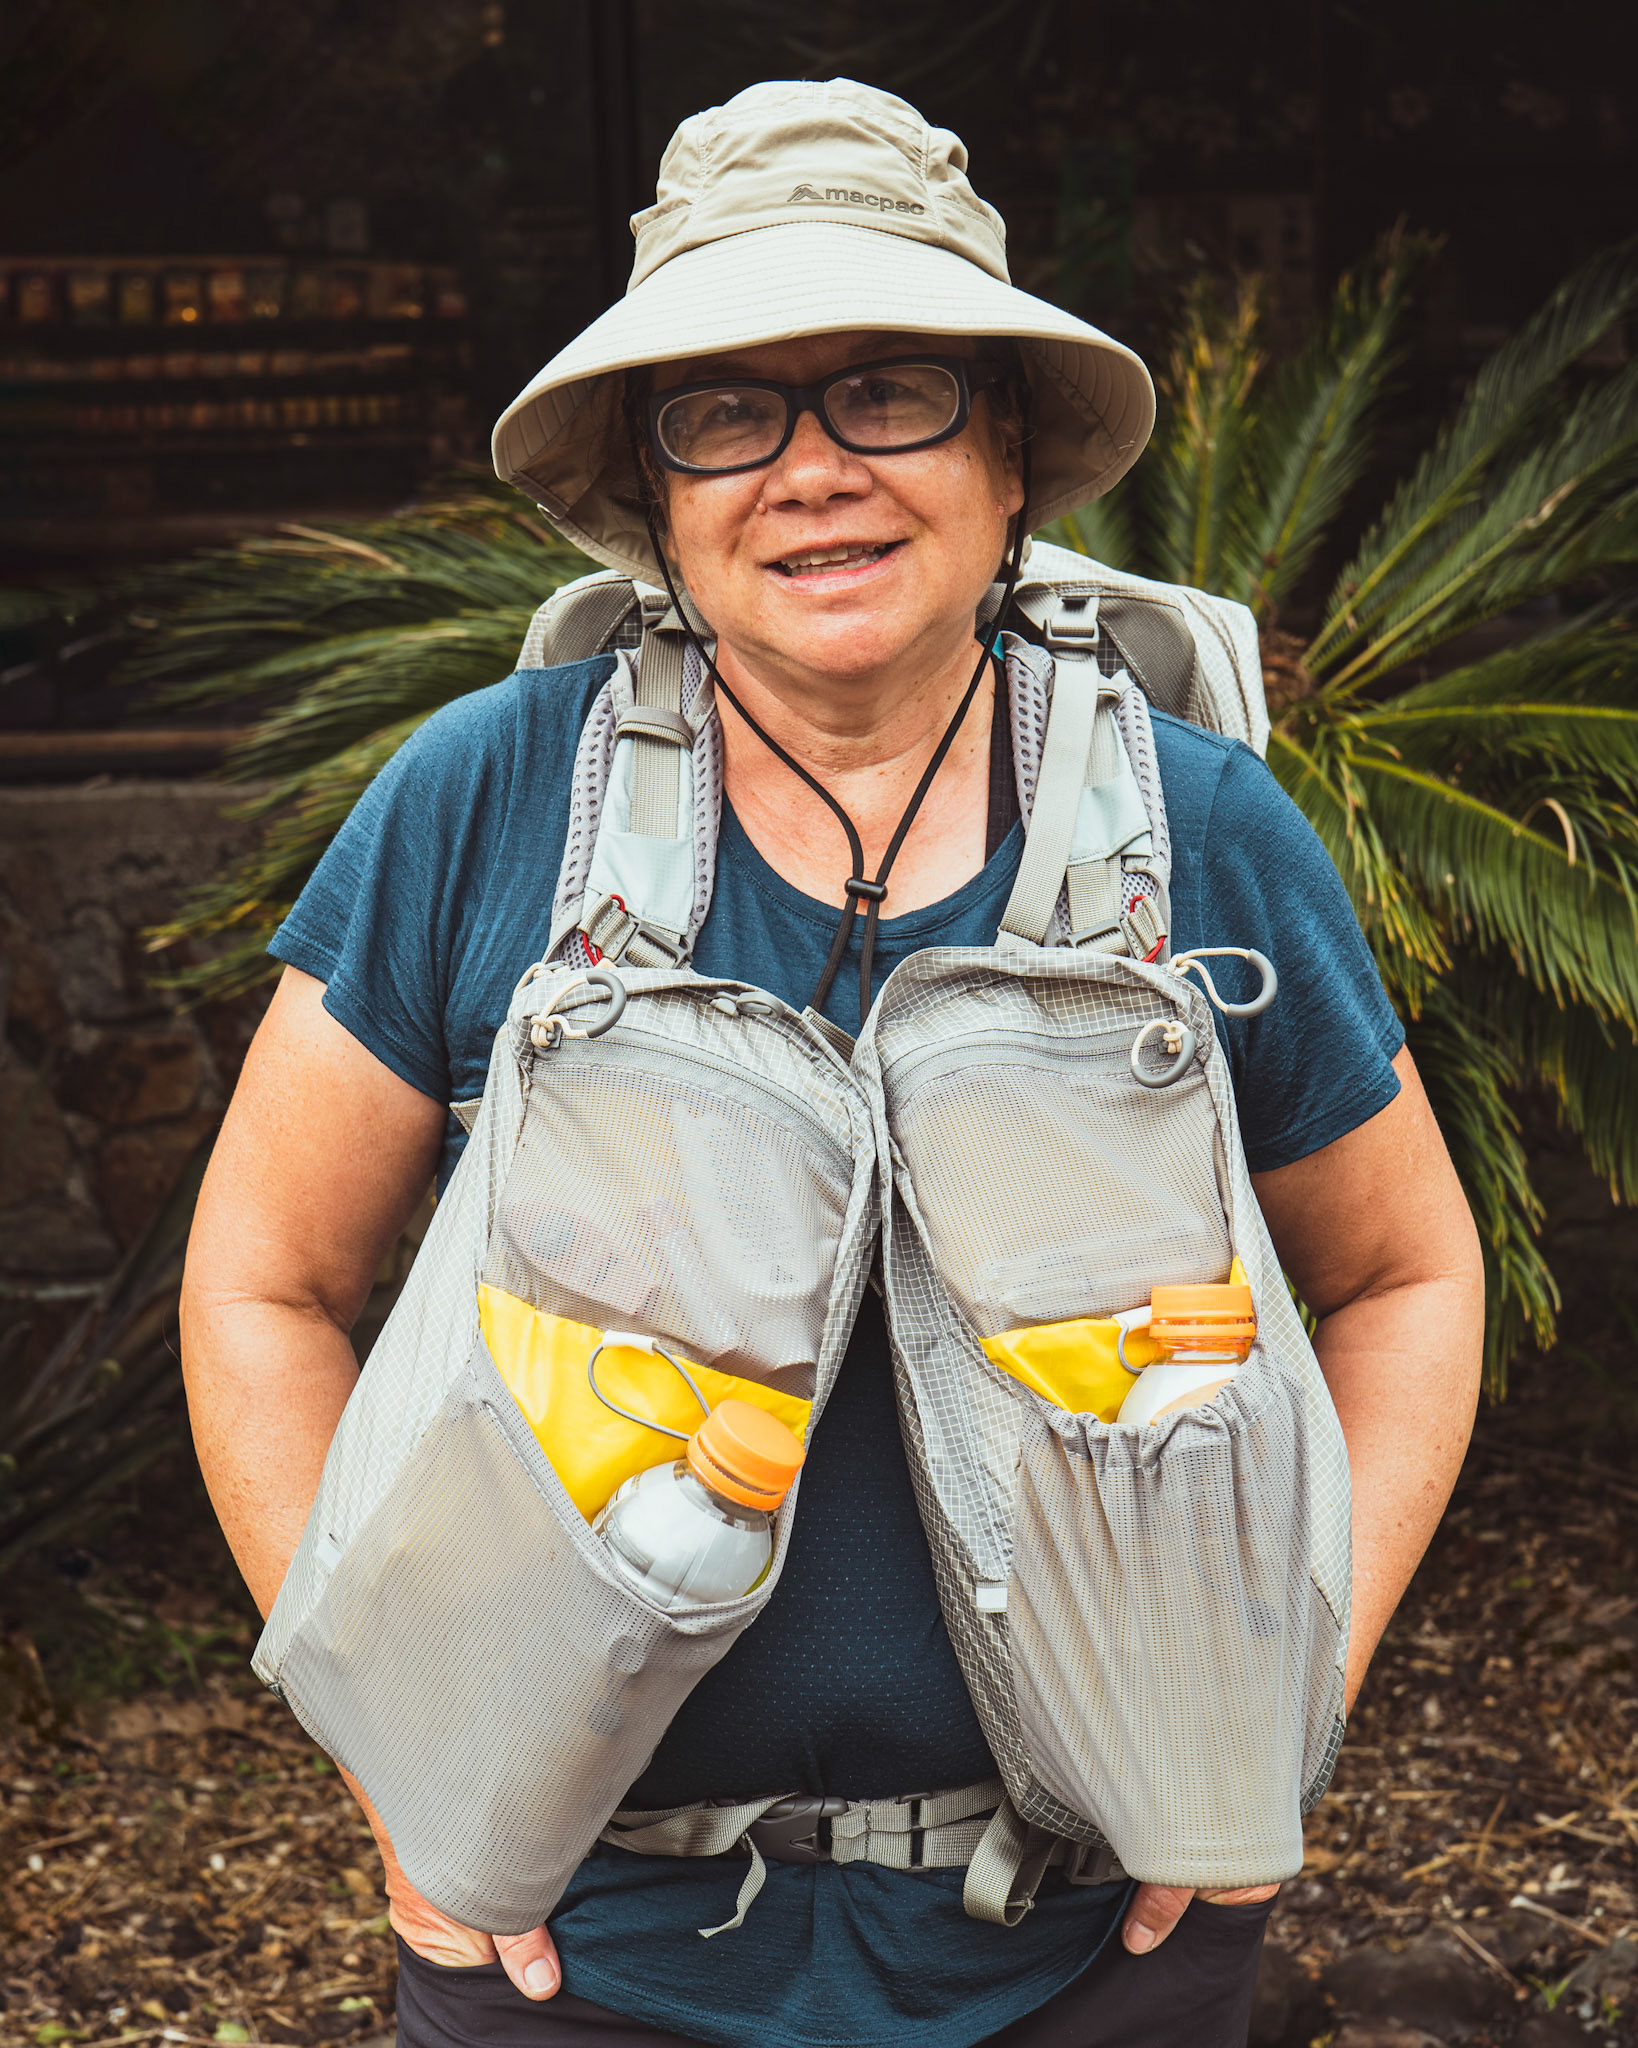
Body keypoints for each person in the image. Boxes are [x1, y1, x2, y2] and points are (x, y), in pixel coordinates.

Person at [181, 78, 1484, 2048]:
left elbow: (1403, 1273)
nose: (810, 470)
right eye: (726, 410)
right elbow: (262, 1284)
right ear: (652, 487)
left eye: (889, 391)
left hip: (1090, 1963)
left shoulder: (1195, 833)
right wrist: (404, 1771)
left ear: (1010, 447)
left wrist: (1289, 1699)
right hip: (578, 1964)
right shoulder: (486, 804)